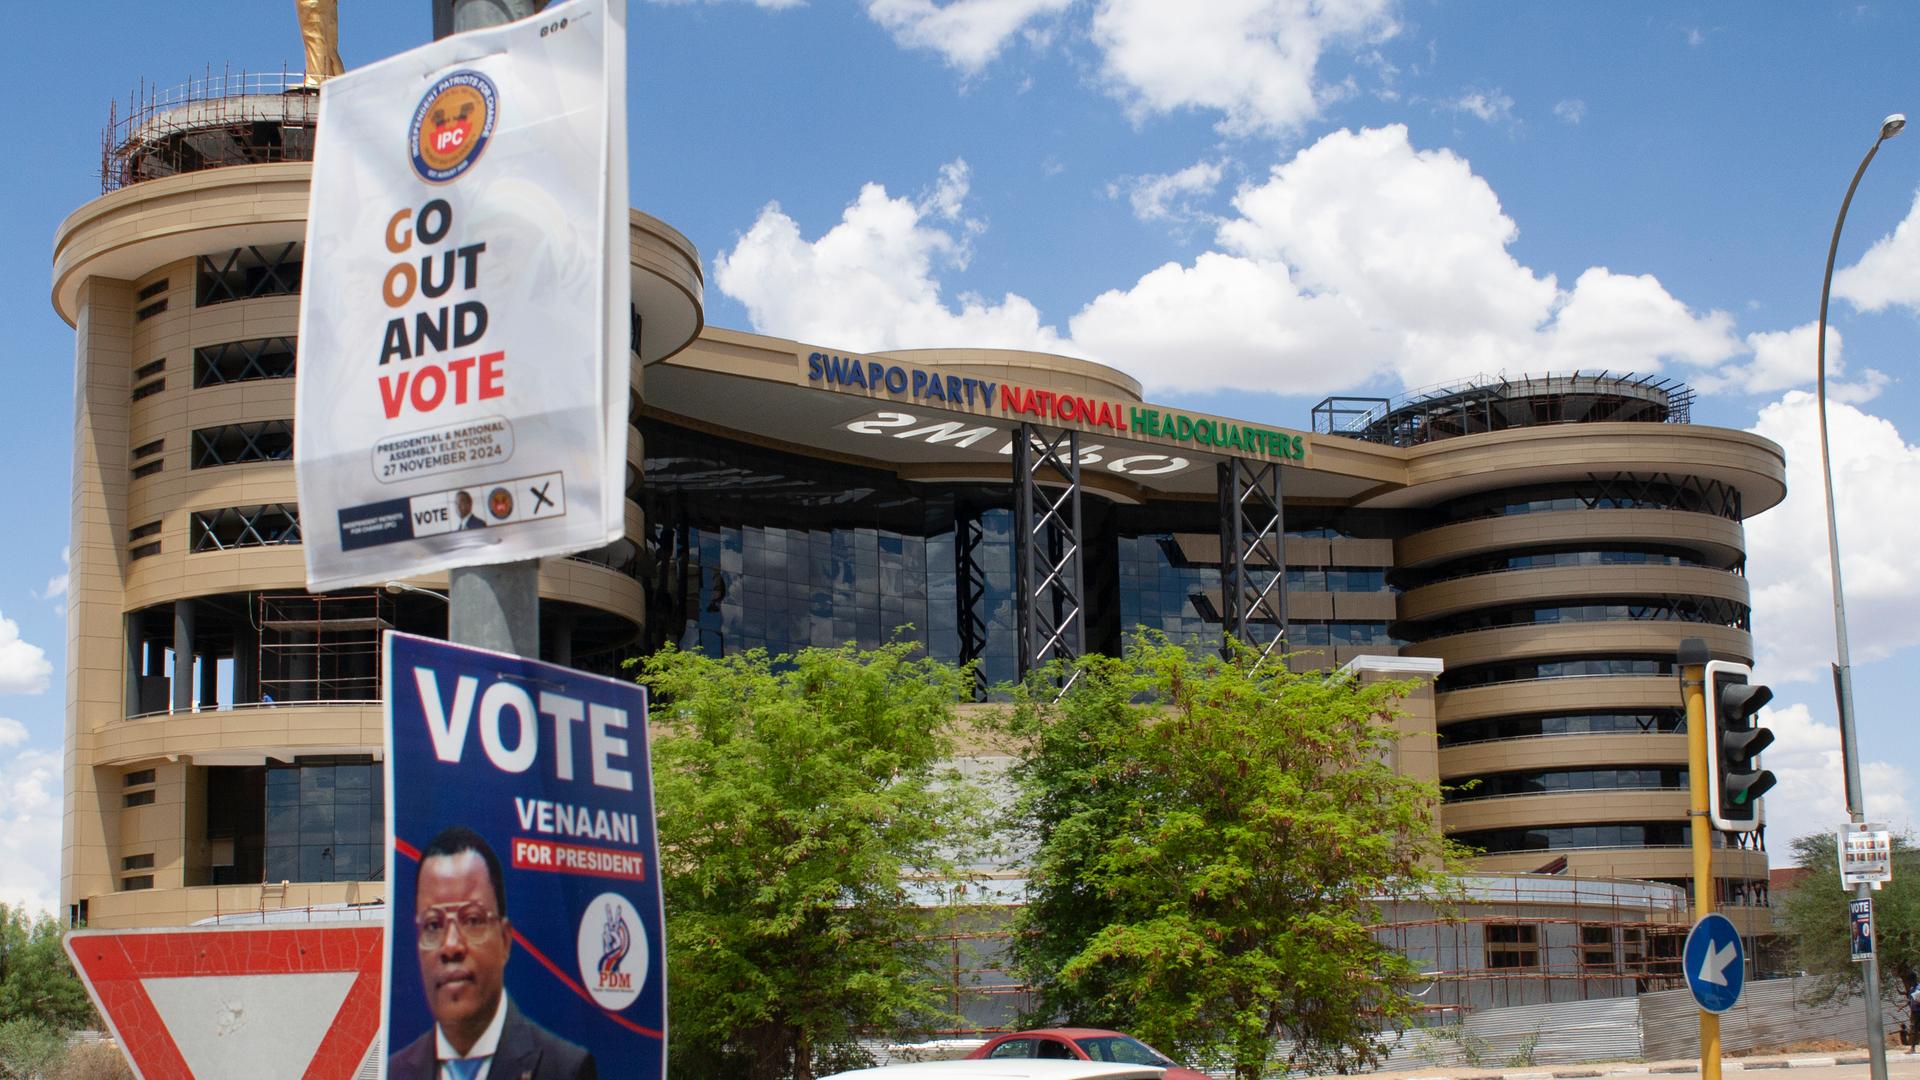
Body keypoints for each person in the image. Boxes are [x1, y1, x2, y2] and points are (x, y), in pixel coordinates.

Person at [390, 827, 596, 1080]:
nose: (451, 946)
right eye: (433, 925)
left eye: (472, 919)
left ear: (505, 940)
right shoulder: (394, 1073)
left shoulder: (563, 1069)